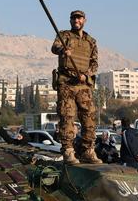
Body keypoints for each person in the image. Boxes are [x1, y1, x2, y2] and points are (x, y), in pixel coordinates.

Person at [51, 10, 101, 164]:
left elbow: (94, 63)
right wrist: (63, 51)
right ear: (70, 20)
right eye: (73, 18)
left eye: (79, 18)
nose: (76, 20)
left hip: (83, 85)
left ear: (84, 20)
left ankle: (87, 151)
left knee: (89, 118)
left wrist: (86, 75)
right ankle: (68, 151)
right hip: (67, 84)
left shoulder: (90, 41)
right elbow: (55, 48)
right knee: (67, 117)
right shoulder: (64, 35)